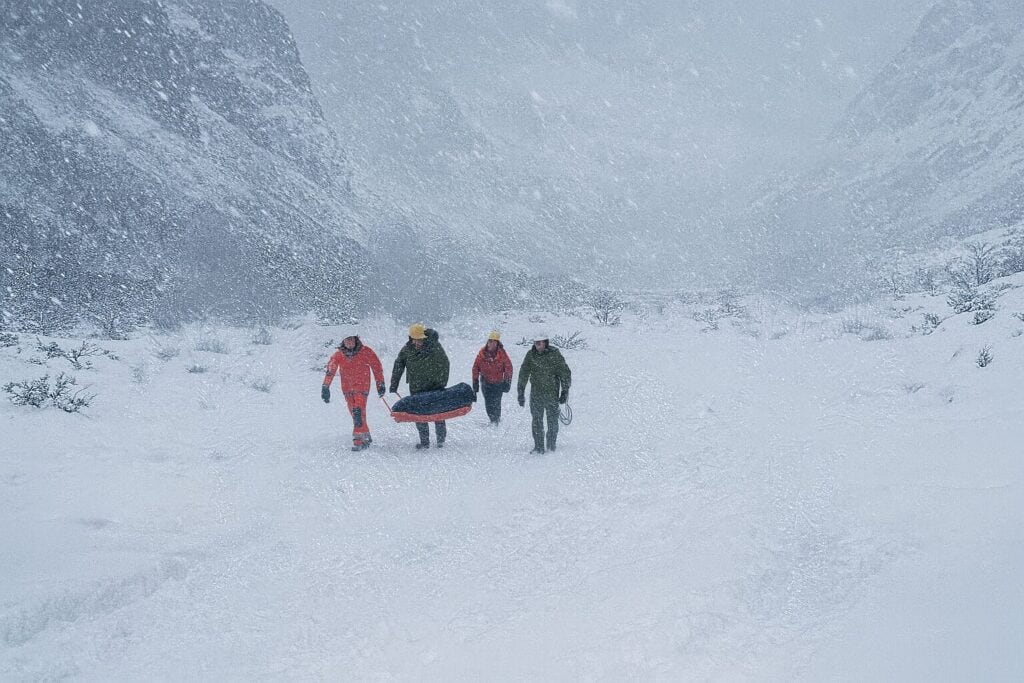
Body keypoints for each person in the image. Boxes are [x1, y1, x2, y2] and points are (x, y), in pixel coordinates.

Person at [390, 323, 450, 449]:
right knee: (419, 415)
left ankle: (440, 440)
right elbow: (398, 364)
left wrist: (441, 382)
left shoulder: (435, 347)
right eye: (415, 339)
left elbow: (445, 364)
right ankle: (424, 442)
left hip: (434, 387)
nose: (418, 342)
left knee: (438, 413)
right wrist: (394, 383)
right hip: (416, 387)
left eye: (420, 339)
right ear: (411, 338)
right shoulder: (407, 349)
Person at [322, 335, 386, 451]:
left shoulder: (366, 352)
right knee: (355, 413)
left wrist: (380, 383)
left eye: (351, 339)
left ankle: (358, 440)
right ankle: (365, 435)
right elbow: (330, 371)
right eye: (347, 340)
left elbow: (377, 367)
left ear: (356, 339)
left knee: (358, 411)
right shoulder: (338, 355)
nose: (349, 342)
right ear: (343, 341)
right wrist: (325, 386)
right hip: (347, 390)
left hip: (362, 388)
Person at [517, 333, 571, 454]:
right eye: (535, 342)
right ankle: (538, 447)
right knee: (536, 421)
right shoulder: (531, 355)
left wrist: (565, 391)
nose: (537, 345)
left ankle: (551, 446)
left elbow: (565, 373)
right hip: (536, 394)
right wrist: (521, 391)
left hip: (552, 394)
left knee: (552, 421)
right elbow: (523, 373)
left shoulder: (555, 355)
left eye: (540, 342)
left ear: (545, 342)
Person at [472, 330, 513, 424]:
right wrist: (475, 382)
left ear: (497, 343)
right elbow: (475, 368)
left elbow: (508, 367)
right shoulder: (482, 353)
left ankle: (496, 420)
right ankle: (492, 420)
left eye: (493, 341)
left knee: (497, 403)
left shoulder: (502, 354)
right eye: (489, 341)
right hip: (485, 383)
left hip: (498, 383)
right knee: (488, 403)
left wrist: (507, 381)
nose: (490, 343)